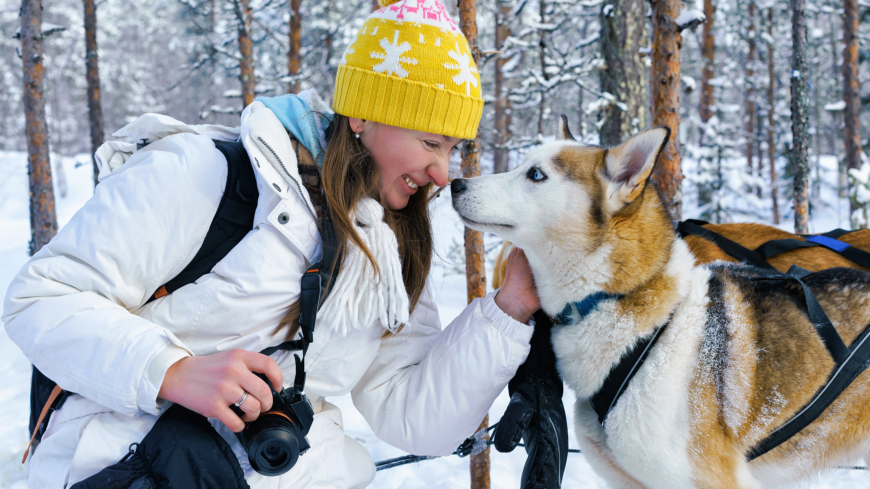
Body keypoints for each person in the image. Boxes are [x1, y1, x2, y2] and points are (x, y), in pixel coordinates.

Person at [2, 0, 541, 487]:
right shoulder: (207, 174)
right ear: (363, 114)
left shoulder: (392, 242)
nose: (442, 173)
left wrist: (510, 310)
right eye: (430, 142)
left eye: (451, 149)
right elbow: (40, 298)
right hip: (130, 468)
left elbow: (410, 415)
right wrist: (168, 371)